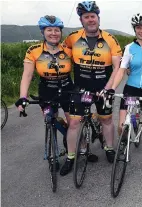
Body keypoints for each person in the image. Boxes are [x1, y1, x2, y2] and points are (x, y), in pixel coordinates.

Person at [60, 1, 122, 175]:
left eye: (92, 16)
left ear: (98, 18)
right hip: (80, 88)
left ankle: (109, 148)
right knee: (74, 123)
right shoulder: (72, 38)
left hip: (103, 88)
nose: (90, 20)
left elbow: (117, 67)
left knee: (107, 120)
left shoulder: (110, 39)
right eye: (86, 17)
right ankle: (72, 156)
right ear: (81, 20)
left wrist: (109, 88)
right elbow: (61, 57)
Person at [15, 15, 74, 170]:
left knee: (73, 122)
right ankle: (53, 154)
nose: (53, 33)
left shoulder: (68, 50)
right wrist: (23, 97)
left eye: (56, 30)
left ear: (61, 32)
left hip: (67, 87)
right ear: (43, 32)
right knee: (50, 121)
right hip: (47, 90)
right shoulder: (33, 51)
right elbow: (27, 75)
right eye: (49, 30)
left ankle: (78, 148)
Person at [109, 13, 142, 164]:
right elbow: (122, 70)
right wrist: (112, 88)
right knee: (121, 125)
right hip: (130, 89)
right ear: (135, 29)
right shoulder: (129, 48)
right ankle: (123, 142)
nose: (141, 31)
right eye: (138, 28)